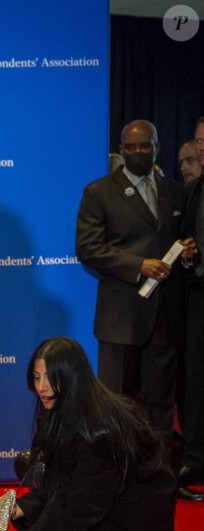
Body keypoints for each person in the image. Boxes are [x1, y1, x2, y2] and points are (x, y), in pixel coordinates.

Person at [2, 337, 177, 531]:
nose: (42, 387)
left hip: (139, 529)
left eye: (51, 377)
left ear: (72, 376)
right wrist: (21, 508)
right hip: (107, 498)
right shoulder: (61, 404)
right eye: (37, 377)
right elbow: (60, 477)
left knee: (60, 519)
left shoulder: (98, 427)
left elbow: (80, 508)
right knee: (31, 512)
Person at [75, 120, 196, 481]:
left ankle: (157, 479)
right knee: (115, 404)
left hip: (165, 316)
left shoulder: (177, 192)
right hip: (120, 318)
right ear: (122, 149)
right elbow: (87, 248)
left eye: (146, 146)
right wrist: (137, 265)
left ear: (157, 147)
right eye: (132, 147)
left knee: (160, 406)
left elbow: (183, 241)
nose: (139, 153)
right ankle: (113, 479)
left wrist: (189, 252)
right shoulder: (99, 191)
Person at [177, 117, 204, 497]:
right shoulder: (193, 190)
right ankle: (196, 460)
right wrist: (185, 257)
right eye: (200, 140)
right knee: (196, 381)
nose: (201, 147)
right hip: (198, 295)